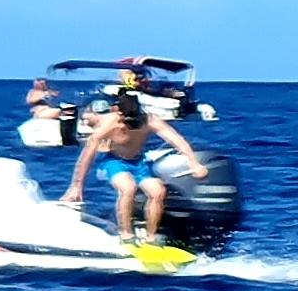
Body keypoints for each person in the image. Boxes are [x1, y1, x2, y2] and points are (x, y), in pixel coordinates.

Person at [63, 90, 209, 244]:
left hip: (139, 163)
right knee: (128, 187)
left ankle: (151, 237)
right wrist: (76, 186)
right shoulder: (110, 123)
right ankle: (126, 234)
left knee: (158, 191)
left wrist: (194, 163)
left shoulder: (150, 120)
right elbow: (87, 154)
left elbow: (176, 139)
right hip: (114, 162)